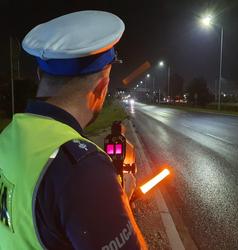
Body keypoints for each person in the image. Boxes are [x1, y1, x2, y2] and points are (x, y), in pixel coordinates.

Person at [0, 10, 147, 249]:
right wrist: (121, 205)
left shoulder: (8, 137)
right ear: (102, 87)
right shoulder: (81, 167)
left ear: (39, 74)